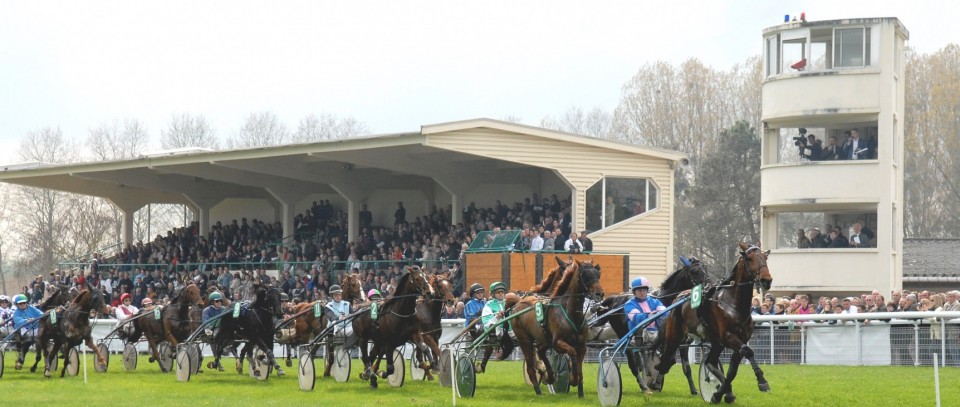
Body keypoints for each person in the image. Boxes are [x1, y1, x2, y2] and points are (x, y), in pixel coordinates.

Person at [623, 277, 665, 344]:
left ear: (647, 291)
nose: (642, 293)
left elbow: (665, 313)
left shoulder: (655, 301)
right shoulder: (629, 304)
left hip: (656, 331)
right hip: (639, 335)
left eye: (644, 290)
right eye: (639, 290)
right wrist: (648, 316)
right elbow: (636, 317)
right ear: (634, 292)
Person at [12, 294, 43, 370]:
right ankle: (21, 357)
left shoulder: (32, 308)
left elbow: (41, 314)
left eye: (24, 303)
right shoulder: (16, 313)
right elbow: (17, 320)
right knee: (28, 340)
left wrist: (43, 316)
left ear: (26, 302)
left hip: (35, 328)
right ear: (17, 304)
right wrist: (26, 320)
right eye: (20, 303)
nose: (22, 304)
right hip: (24, 328)